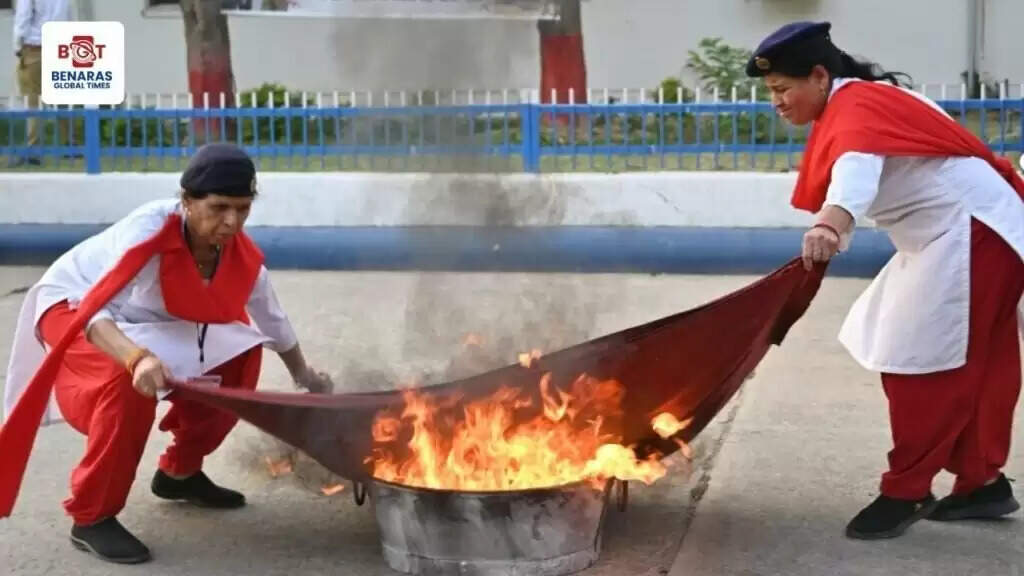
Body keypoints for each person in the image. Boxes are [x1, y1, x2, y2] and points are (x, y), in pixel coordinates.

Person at [745, 21, 1024, 540]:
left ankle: (907, 489)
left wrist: (831, 222)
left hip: (971, 237)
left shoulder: (856, 113)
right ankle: (982, 485)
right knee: (979, 364)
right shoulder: (871, 99)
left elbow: (856, 171)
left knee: (924, 365)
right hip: (974, 233)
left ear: (820, 76)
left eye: (783, 89)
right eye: (772, 93)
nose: (777, 103)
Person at [0, 143, 333, 564]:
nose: (232, 222)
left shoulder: (237, 253)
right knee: (126, 384)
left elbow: (271, 319)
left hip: (147, 318)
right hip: (76, 305)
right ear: (186, 202)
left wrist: (304, 375)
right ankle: (91, 517)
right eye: (219, 207)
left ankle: (180, 472)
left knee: (243, 352)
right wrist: (137, 358)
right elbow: (95, 311)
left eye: (243, 209)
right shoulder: (146, 235)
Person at [12, 0, 74, 166]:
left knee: (33, 101)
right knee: (60, 98)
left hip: (35, 48)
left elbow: (23, 18)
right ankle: (69, 145)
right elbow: (69, 20)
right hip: (59, 47)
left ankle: (33, 149)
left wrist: (18, 47)